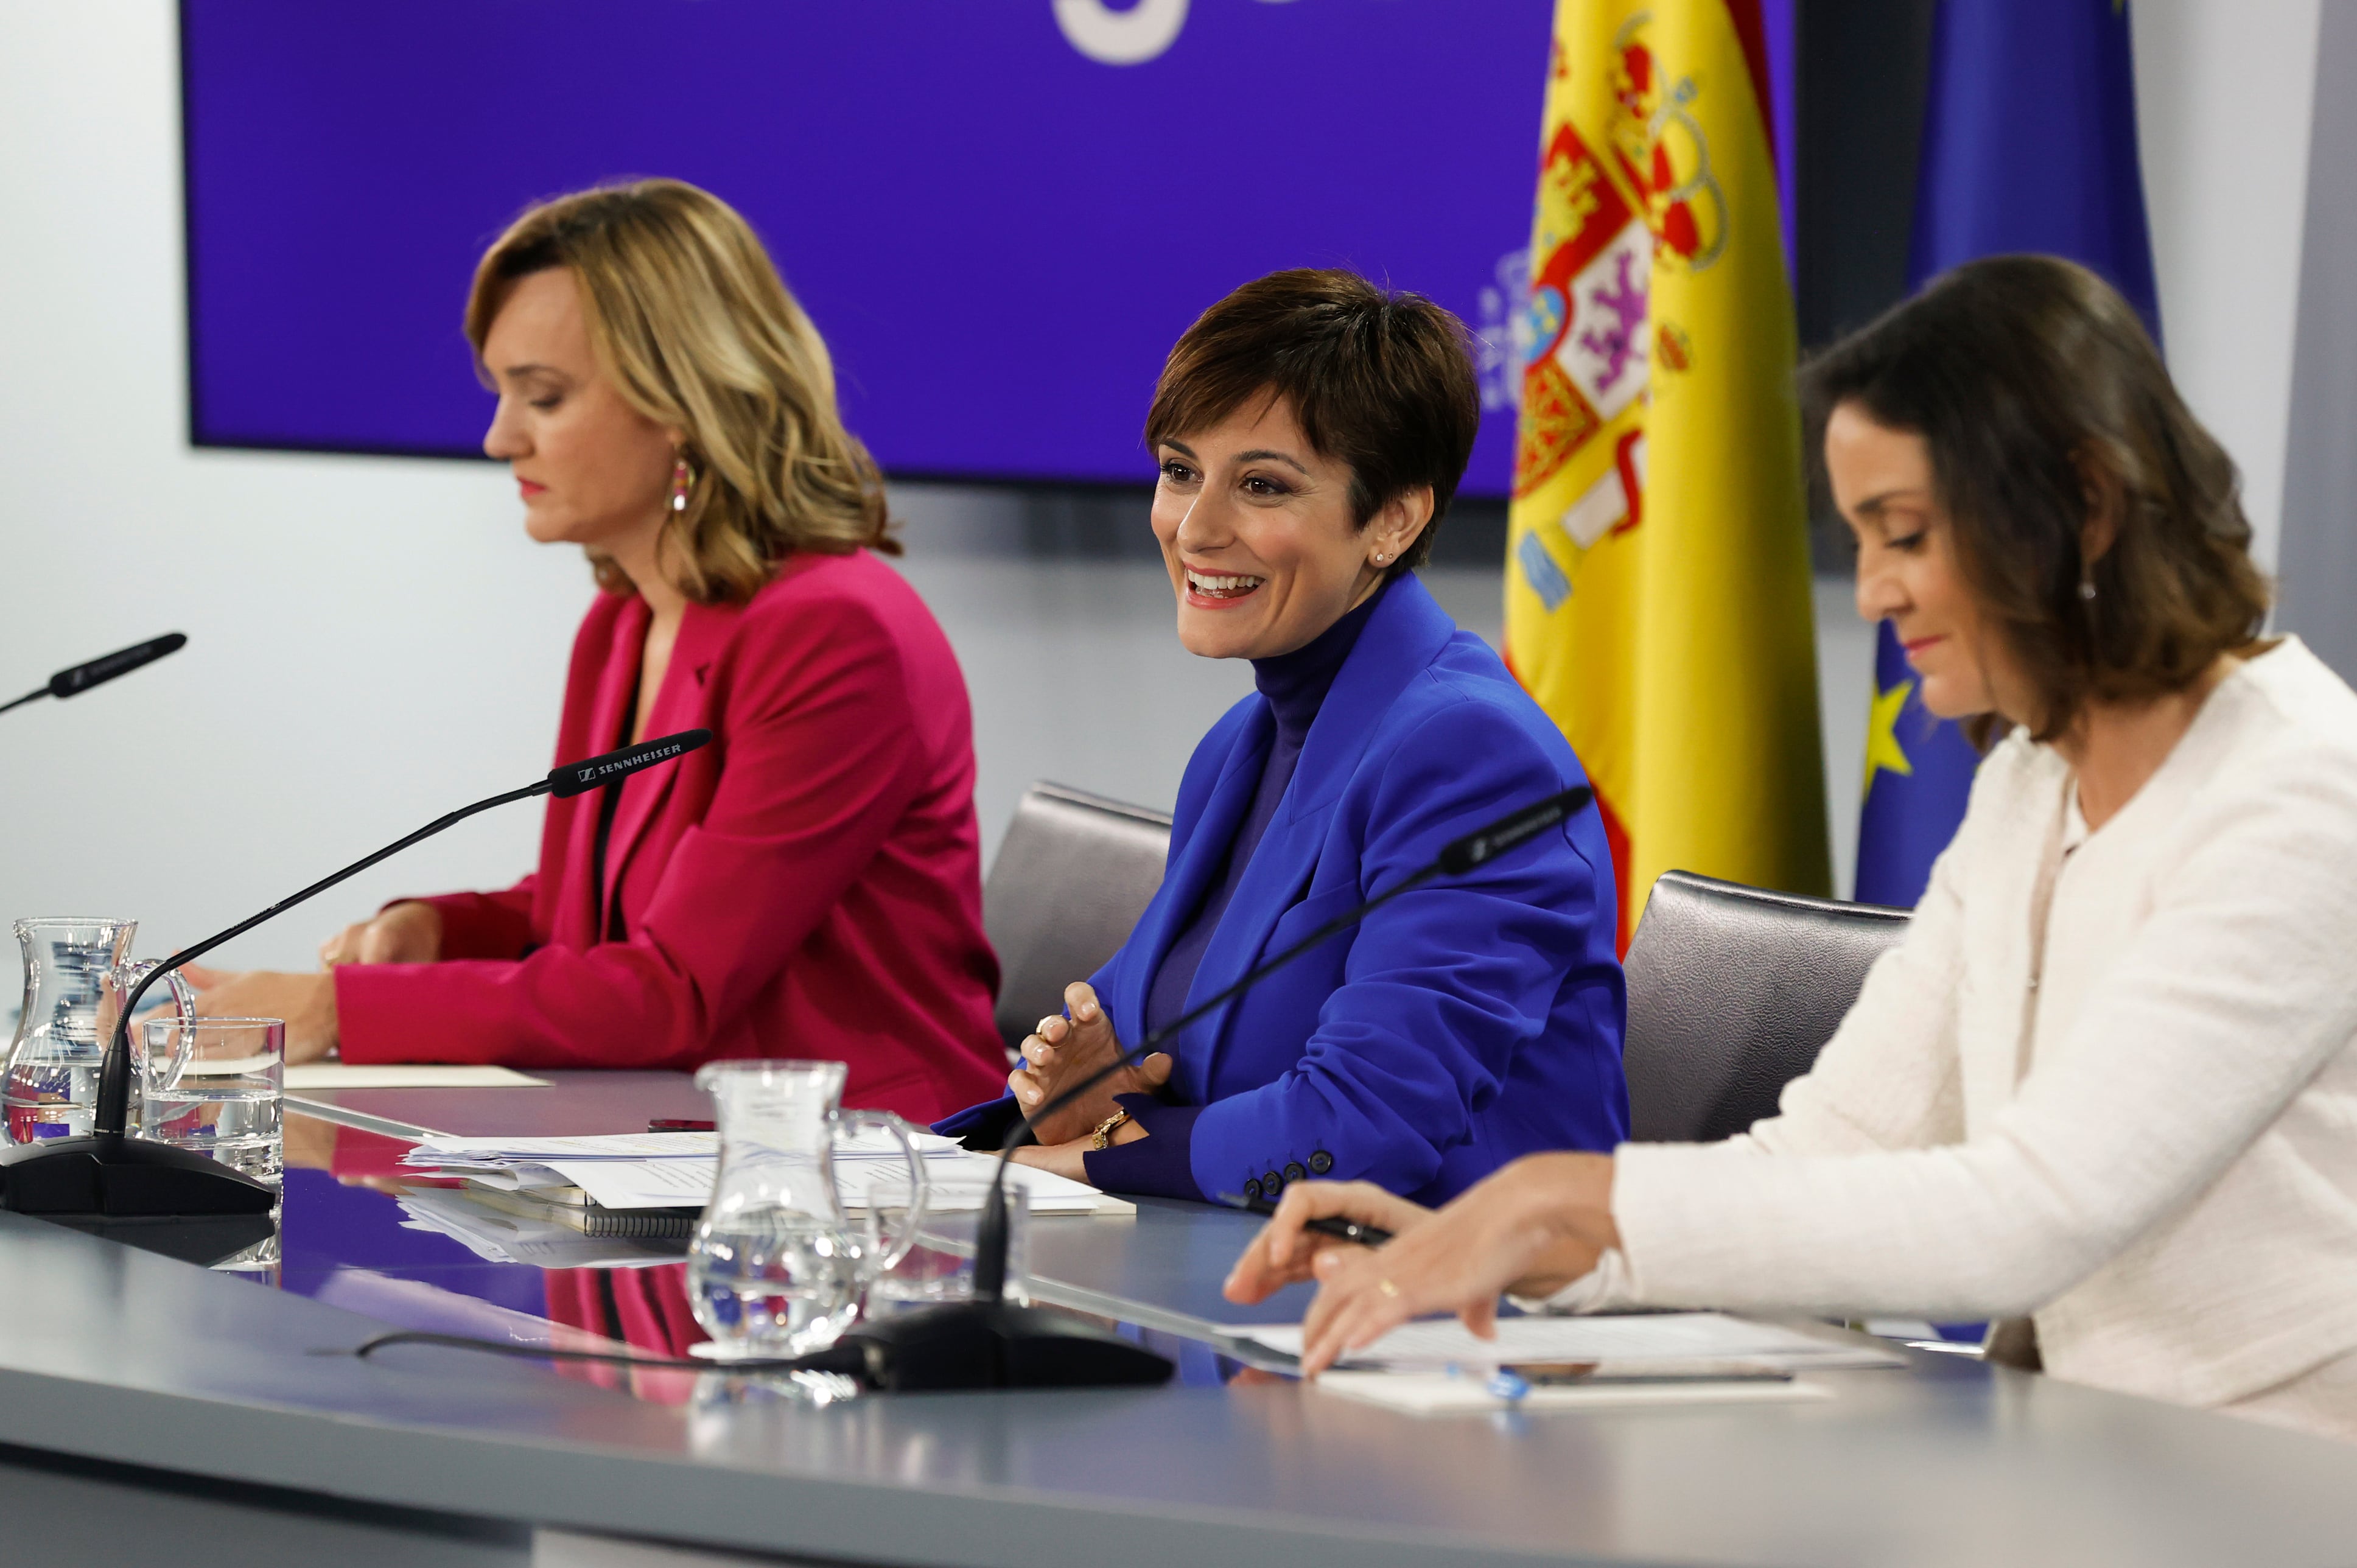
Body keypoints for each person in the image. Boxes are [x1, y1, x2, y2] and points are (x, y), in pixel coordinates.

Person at [1225, 256, 2357, 1443]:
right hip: (2085, 1467)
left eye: (1905, 535)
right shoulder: (2033, 774)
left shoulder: (2301, 792)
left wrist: (1563, 1194)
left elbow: (2035, 1209)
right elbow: (1837, 1147)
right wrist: (1538, 1246)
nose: (1871, 593)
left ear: (2084, 505)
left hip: (2270, 1485)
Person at [189, 180, 1004, 1124]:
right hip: (653, 1142)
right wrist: (441, 928)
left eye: (544, 396)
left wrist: (334, 1010)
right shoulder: (623, 620)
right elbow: (599, 910)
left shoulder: (834, 633)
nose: (499, 438)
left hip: (857, 1169)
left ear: (684, 399)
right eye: (501, 394)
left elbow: (674, 991)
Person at [937, 269, 1627, 1203]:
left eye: (1261, 486)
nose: (1195, 527)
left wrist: (1096, 1154)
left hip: (1455, 1319)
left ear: (1394, 519)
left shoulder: (1473, 758)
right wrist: (1077, 1103)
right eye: (1180, 472)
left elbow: (1367, 1130)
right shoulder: (1240, 747)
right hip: (1243, 1292)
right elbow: (1147, 1077)